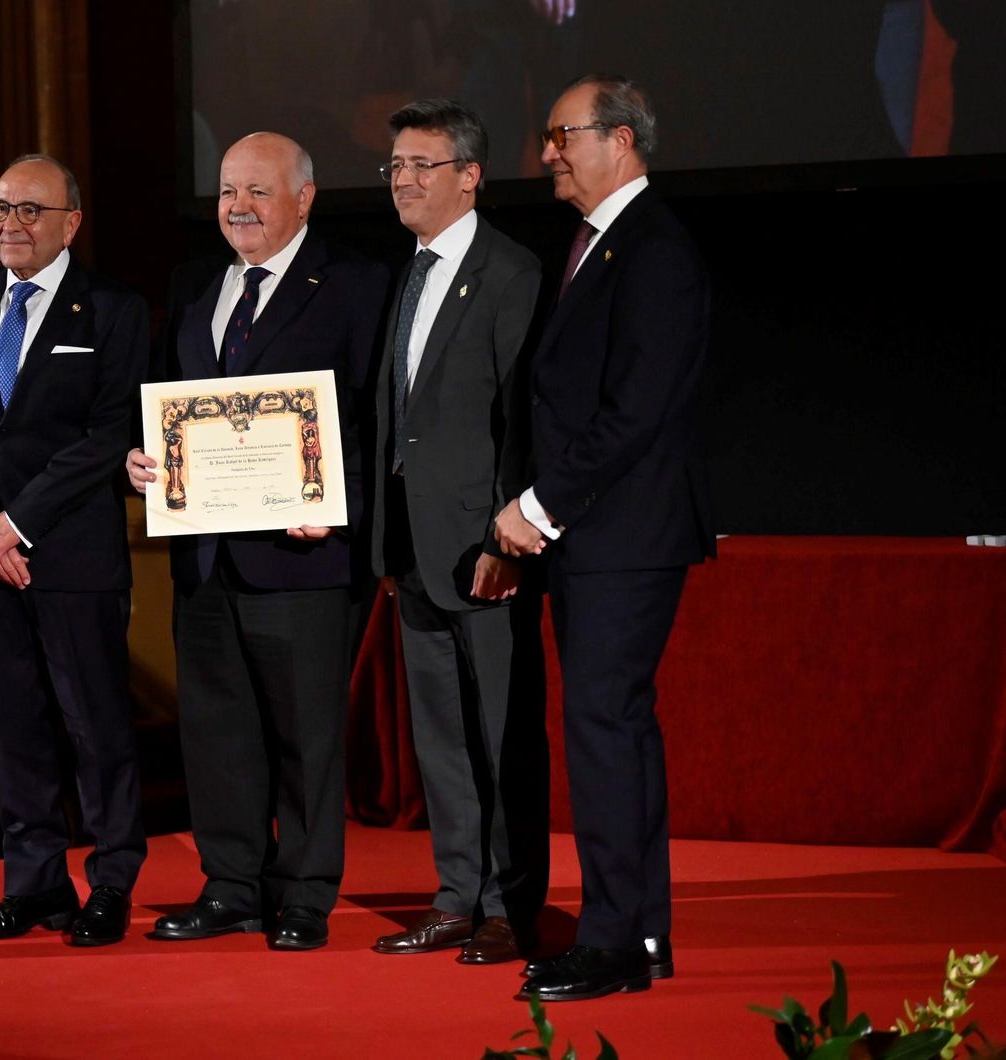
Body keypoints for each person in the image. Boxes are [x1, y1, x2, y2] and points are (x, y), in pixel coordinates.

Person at [126, 132, 387, 950]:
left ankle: (305, 893)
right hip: (207, 556)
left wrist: (336, 501)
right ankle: (231, 885)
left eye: (258, 191)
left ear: (304, 198)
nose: (237, 206)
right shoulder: (196, 284)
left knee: (306, 733)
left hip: (304, 554)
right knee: (215, 731)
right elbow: (175, 404)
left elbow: (378, 422)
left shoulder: (355, 285)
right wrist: (144, 459)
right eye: (228, 190)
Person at [494, 74, 714, 1001]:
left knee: (601, 729)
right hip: (600, 537)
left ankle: (616, 941)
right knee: (615, 730)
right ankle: (642, 931)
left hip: (619, 536)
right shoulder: (598, 243)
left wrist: (536, 510)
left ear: (619, 139)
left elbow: (633, 413)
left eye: (562, 135)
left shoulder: (654, 249)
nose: (547, 152)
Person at [0, 154, 149, 947]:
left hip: (72, 555)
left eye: (29, 210)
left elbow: (104, 437)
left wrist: (15, 524)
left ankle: (111, 881)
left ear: (70, 224)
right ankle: (34, 886)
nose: (9, 224)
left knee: (95, 727)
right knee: (11, 728)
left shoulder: (114, 310)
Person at [368, 100, 548, 964]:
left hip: (487, 550)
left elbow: (521, 419)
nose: (403, 180)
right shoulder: (405, 271)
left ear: (470, 175)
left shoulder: (511, 272)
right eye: (395, 166)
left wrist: (507, 539)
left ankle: (514, 904)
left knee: (503, 734)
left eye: (421, 165)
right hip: (412, 548)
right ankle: (455, 896)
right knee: (440, 736)